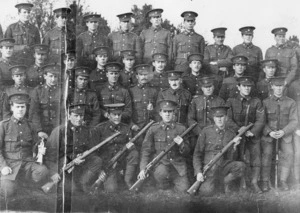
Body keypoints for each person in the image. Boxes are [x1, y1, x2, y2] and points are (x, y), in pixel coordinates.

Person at [45, 103, 102, 194]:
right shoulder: (59, 131)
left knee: (96, 160)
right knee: (73, 191)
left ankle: (83, 182)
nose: (79, 119)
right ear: (69, 116)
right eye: (76, 116)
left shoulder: (86, 131)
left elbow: (91, 151)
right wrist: (53, 173)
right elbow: (49, 157)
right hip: (64, 166)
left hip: (80, 165)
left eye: (81, 116)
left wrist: (82, 156)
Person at [0, 93, 48, 198]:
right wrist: (3, 166)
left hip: (27, 164)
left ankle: (22, 185)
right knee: (8, 191)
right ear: (12, 107)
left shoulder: (30, 125)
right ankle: (13, 185)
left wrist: (39, 151)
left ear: (26, 108)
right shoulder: (3, 125)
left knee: (42, 171)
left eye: (23, 107)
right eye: (17, 106)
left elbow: (35, 146)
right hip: (10, 165)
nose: (20, 109)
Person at [138, 100, 190, 192]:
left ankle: (171, 184)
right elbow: (146, 150)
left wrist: (182, 144)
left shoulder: (181, 128)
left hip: (177, 165)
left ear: (174, 113)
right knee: (161, 174)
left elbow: (187, 152)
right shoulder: (153, 129)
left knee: (183, 189)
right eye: (164, 111)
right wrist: (142, 168)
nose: (167, 114)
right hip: (161, 164)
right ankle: (163, 185)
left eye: (170, 111)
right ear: (160, 113)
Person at [193, 106, 246, 195]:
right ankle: (216, 185)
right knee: (206, 192)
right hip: (210, 168)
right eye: (217, 117)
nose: (219, 119)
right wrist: (198, 172)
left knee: (241, 166)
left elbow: (232, 158)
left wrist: (234, 147)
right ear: (214, 118)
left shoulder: (231, 133)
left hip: (224, 167)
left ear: (226, 118)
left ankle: (223, 182)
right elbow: (197, 154)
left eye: (222, 116)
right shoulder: (206, 131)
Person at [226, 76, 265, 193]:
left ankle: (254, 182)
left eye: (249, 86)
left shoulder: (257, 101)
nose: (247, 88)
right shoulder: (231, 101)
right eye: (244, 86)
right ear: (238, 87)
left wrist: (252, 132)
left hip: (252, 136)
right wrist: (239, 130)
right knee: (238, 159)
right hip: (236, 135)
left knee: (256, 158)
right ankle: (241, 183)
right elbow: (228, 119)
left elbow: (261, 120)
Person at [261, 76, 298, 192]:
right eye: (276, 86)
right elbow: (261, 121)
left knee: (289, 153)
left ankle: (283, 180)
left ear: (284, 87)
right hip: (270, 135)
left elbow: (294, 121)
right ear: (272, 87)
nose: (278, 89)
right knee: (267, 154)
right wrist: (270, 132)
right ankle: (265, 181)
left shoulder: (291, 102)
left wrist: (283, 131)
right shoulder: (265, 102)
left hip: (285, 135)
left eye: (281, 86)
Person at [95, 103, 138, 191]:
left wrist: (131, 147)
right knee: (111, 189)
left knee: (134, 153)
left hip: (122, 160)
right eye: (114, 114)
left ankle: (127, 180)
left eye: (119, 114)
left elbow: (130, 148)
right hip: (107, 162)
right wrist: (100, 169)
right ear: (108, 115)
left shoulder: (126, 128)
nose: (117, 117)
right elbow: (96, 152)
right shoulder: (100, 128)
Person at [188, 76, 225, 148]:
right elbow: (190, 119)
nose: (208, 89)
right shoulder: (196, 101)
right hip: (198, 134)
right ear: (202, 88)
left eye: (210, 86)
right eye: (205, 87)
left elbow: (224, 119)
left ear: (213, 87)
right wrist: (200, 132)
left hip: (215, 134)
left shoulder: (220, 101)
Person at [29, 64, 63, 137]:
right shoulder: (38, 91)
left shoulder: (61, 91)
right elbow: (34, 113)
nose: (53, 79)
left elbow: (63, 112)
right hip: (41, 129)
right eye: (50, 76)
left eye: (55, 76)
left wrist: (61, 129)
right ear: (45, 76)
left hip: (58, 128)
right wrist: (39, 130)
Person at [129, 64, 158, 145]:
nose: (144, 77)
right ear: (137, 76)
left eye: (146, 74)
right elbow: (127, 110)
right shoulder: (131, 91)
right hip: (136, 128)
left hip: (150, 127)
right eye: (141, 75)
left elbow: (159, 110)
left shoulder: (154, 91)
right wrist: (131, 125)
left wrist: (152, 110)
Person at [287, 79, 300, 188]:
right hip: (298, 132)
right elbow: (294, 118)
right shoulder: (296, 103)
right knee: (298, 154)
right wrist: (297, 129)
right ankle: (297, 178)